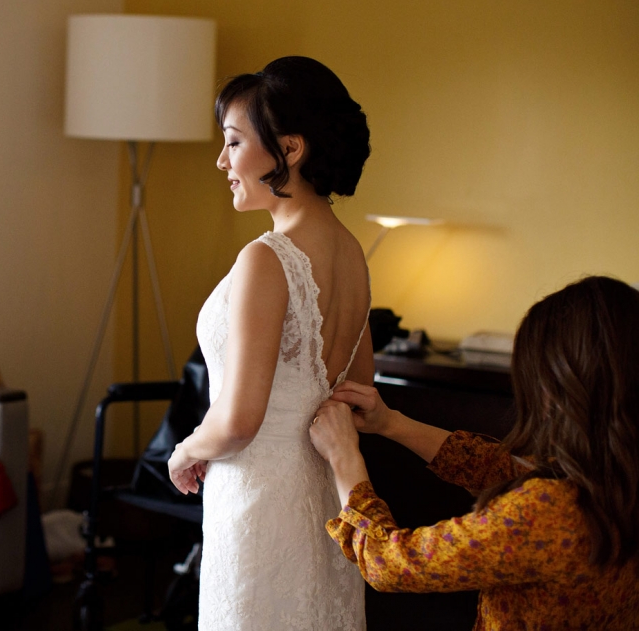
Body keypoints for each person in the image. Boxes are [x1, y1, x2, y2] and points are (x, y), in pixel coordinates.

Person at [168, 56, 372, 629]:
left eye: (234, 142)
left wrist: (185, 450)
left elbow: (238, 421)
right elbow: (359, 394)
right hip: (325, 497)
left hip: (259, 502)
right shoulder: (352, 252)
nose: (221, 161)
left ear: (290, 149)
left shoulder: (267, 257)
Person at [309, 275, 639, 630]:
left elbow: (388, 562)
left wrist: (344, 457)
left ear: (555, 388)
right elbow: (505, 469)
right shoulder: (617, 475)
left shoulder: (547, 512)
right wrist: (391, 423)